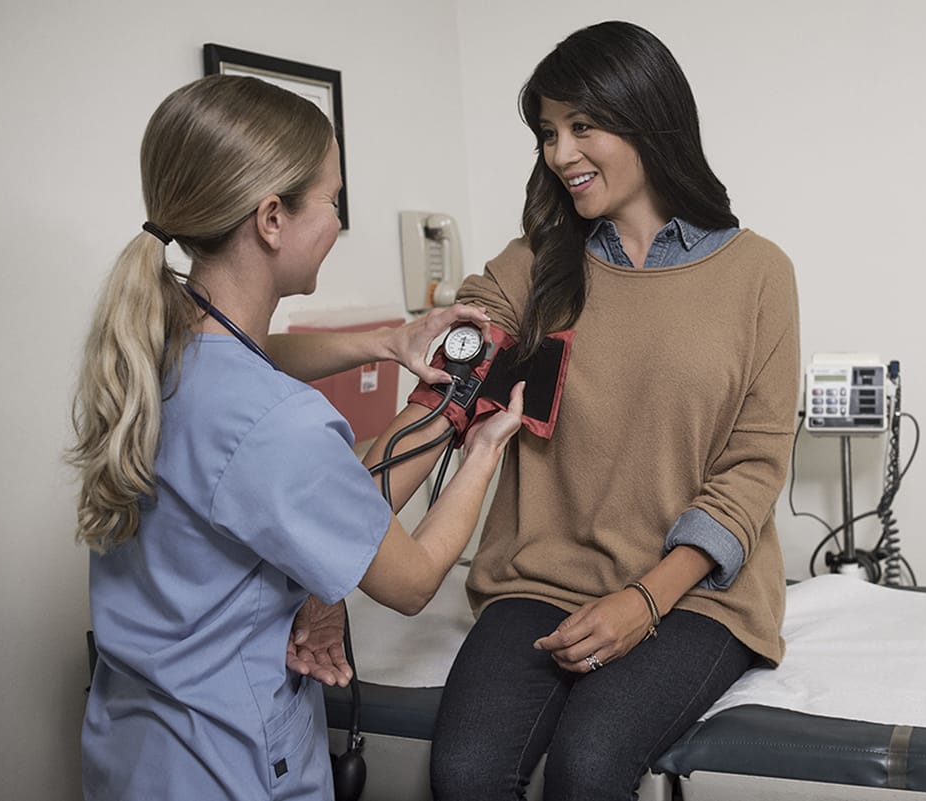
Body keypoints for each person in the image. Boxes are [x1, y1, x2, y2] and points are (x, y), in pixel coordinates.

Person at [69, 74, 523, 801]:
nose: (338, 224)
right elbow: (408, 580)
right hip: (231, 768)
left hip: (135, 750)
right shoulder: (279, 423)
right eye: (333, 201)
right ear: (271, 217)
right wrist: (483, 445)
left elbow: (264, 373)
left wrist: (384, 341)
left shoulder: (150, 349)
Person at [384, 20, 800, 800]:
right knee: (466, 772)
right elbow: (443, 396)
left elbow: (752, 470)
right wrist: (333, 542)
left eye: (584, 125)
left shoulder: (760, 275)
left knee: (589, 764)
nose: (560, 152)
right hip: (540, 578)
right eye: (548, 131)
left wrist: (646, 600)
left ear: (650, 118)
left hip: (698, 596)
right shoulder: (532, 266)